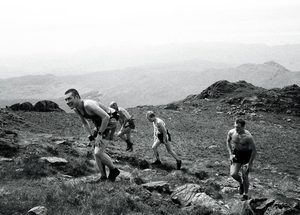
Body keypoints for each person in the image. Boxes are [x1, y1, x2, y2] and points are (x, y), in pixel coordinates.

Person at [64, 88, 120, 182]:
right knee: (95, 150)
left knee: (98, 152)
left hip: (109, 121)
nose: (67, 102)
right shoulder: (76, 109)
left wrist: (99, 135)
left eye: (69, 98)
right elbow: (85, 123)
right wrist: (91, 137)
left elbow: (106, 117)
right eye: (65, 100)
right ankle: (103, 176)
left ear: (77, 97)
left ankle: (114, 170)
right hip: (99, 124)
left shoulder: (88, 105)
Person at [226, 118, 257, 200]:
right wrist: (230, 154)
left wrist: (249, 163)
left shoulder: (248, 137)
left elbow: (254, 150)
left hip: (247, 155)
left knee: (245, 175)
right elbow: (228, 141)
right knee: (233, 174)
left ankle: (245, 194)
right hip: (237, 153)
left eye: (238, 127)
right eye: (235, 127)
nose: (236, 129)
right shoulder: (231, 132)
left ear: (243, 127)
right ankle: (241, 183)